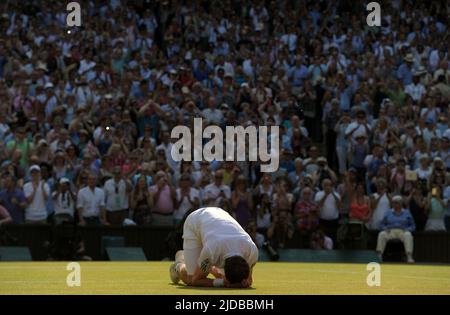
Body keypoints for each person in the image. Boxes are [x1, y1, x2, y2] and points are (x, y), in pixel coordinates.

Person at [169, 207, 258, 288]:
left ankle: (208, 266)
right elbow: (196, 280)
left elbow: (248, 280)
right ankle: (178, 264)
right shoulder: (211, 250)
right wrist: (222, 282)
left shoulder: (252, 251)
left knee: (219, 275)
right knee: (190, 279)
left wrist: (245, 282)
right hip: (195, 221)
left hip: (218, 216)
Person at [376, 195, 416, 263]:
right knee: (382, 234)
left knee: (408, 235)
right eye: (393, 202)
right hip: (390, 231)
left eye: (396, 202)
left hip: (402, 231)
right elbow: (381, 224)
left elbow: (413, 225)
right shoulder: (388, 212)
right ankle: (379, 255)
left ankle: (409, 256)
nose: (394, 204)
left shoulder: (407, 212)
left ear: (401, 203)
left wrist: (408, 229)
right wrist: (385, 228)